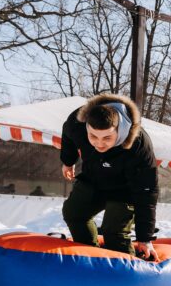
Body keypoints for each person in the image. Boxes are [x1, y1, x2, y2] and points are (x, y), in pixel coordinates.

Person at [60, 93, 159, 261]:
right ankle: (90, 259)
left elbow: (147, 191)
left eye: (107, 138)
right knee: (73, 212)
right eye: (93, 136)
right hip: (94, 179)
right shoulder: (77, 123)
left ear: (120, 130)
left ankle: (127, 274)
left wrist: (145, 238)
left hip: (125, 189)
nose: (99, 143)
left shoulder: (139, 145)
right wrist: (68, 161)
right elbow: (68, 135)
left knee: (113, 231)